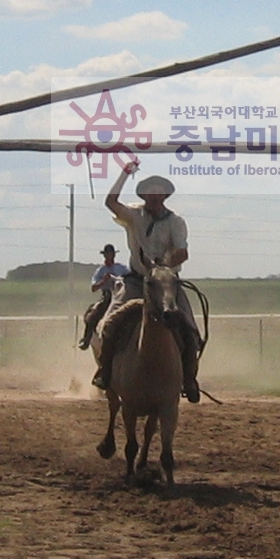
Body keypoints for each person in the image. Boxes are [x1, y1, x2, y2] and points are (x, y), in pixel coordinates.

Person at [93, 158, 201, 404]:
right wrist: (123, 174)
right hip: (135, 280)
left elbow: (183, 251)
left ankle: (189, 378)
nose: (154, 197)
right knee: (111, 322)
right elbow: (110, 202)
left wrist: (164, 263)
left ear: (164, 196)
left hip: (165, 281)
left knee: (188, 326)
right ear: (144, 195)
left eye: (158, 193)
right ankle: (105, 371)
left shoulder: (176, 222)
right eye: (150, 193)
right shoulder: (133, 214)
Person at [76, 245, 125, 350]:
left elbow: (131, 276)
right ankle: (86, 340)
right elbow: (93, 288)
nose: (109, 256)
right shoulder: (100, 270)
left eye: (111, 254)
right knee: (93, 315)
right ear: (104, 255)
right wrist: (103, 281)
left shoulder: (122, 268)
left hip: (122, 294)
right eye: (107, 254)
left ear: (114, 255)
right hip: (108, 296)